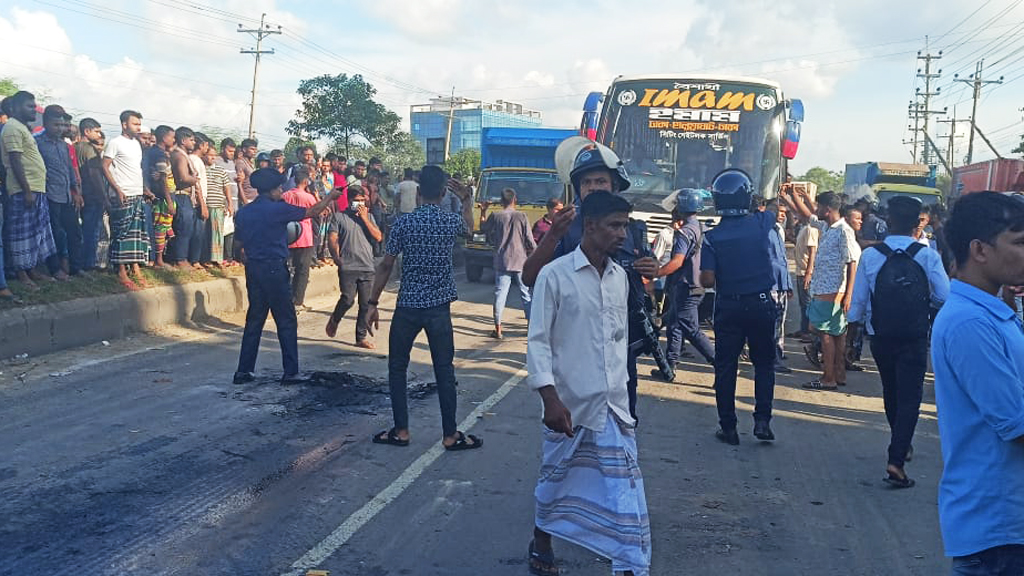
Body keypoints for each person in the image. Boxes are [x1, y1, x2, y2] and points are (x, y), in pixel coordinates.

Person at [526, 191, 651, 576]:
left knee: (624, 491)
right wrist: (550, 399)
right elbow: (539, 341)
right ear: (590, 226)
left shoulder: (620, 279)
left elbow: (617, 341)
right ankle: (541, 537)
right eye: (614, 225)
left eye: (625, 225)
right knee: (556, 482)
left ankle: (628, 562)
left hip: (614, 405)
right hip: (569, 405)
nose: (622, 234)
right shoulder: (555, 275)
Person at [522, 139, 660, 421]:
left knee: (623, 414)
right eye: (587, 183)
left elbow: (644, 274)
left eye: (600, 181)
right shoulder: (568, 225)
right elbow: (530, 276)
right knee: (575, 421)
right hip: (576, 342)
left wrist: (651, 269)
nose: (593, 188)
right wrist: (553, 237)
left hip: (620, 340)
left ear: (615, 185)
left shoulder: (632, 226)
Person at [931, 192, 1024, 574]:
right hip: (1000, 531)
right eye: (1019, 243)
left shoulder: (997, 313)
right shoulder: (971, 323)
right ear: (980, 250)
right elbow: (1016, 423)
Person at [364, 165, 480, 451]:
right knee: (444, 370)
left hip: (407, 306)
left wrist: (372, 303)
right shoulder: (449, 221)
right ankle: (450, 434)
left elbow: (386, 265)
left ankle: (401, 430)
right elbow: (471, 228)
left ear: (417, 193)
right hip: (439, 308)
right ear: (442, 193)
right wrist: (466, 200)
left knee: (397, 368)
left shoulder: (403, 224)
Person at [847, 196, 949, 489]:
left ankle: (899, 444)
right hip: (914, 335)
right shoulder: (927, 256)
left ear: (888, 221)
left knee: (891, 391)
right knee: (911, 396)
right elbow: (944, 296)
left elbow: (858, 304)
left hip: (881, 335)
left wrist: (854, 330)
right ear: (918, 223)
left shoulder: (872, 255)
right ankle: (897, 456)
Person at [232, 168, 343, 385]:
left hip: (254, 269)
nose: (282, 191)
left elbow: (237, 246)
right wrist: (330, 197)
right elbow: (312, 212)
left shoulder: (245, 212)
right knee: (286, 320)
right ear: (271, 190)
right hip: (274, 268)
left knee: (255, 319)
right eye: (279, 188)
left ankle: (243, 371)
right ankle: (290, 372)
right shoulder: (278, 210)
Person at [700, 169, 779, 445]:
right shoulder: (761, 223)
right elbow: (773, 207)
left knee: (725, 367)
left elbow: (707, 279)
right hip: (760, 304)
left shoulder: (712, 237)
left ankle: (729, 427)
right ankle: (762, 420)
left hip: (729, 306)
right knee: (764, 365)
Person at [784, 189, 858, 390]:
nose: (816, 210)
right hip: (827, 288)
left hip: (831, 289)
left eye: (819, 206)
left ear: (827, 209)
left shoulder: (843, 231)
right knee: (836, 333)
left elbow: (852, 262)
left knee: (823, 332)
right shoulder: (828, 227)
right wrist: (793, 197)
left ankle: (828, 377)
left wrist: (849, 294)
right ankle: (838, 374)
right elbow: (807, 216)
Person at [0, 91, 59, 289]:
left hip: (36, 188)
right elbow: (15, 160)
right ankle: (21, 274)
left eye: (34, 106)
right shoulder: (12, 128)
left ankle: (32, 269)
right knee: (21, 233)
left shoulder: (23, 128)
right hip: (23, 189)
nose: (34, 109)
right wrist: (26, 190)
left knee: (36, 231)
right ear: (14, 108)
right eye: (29, 106)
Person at [655, 188, 715, 376]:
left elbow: (677, 261)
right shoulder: (702, 228)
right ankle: (669, 366)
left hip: (686, 285)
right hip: (697, 284)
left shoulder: (684, 232)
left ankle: (720, 363)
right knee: (674, 324)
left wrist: (655, 273)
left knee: (691, 329)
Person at [325, 184, 382, 347]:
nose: (361, 204)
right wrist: (336, 256)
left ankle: (360, 337)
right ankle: (335, 318)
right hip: (348, 265)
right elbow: (333, 238)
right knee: (348, 299)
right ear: (349, 201)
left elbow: (378, 236)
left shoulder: (369, 217)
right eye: (357, 201)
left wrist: (364, 218)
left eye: (363, 200)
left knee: (365, 304)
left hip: (367, 266)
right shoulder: (339, 217)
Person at [102, 110, 151, 289]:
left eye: (139, 124)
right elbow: (105, 167)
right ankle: (121, 270)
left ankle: (135, 267)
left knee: (136, 233)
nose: (138, 127)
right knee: (121, 233)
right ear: (124, 124)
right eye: (135, 124)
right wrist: (117, 189)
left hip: (137, 193)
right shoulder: (115, 143)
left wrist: (143, 190)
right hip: (122, 194)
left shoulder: (137, 144)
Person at [480, 187, 536, 339]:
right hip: (520, 261)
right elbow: (530, 241)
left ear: (502, 201)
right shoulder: (522, 216)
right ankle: (531, 327)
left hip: (502, 261)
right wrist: (536, 256)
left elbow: (482, 229)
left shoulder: (496, 216)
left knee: (500, 295)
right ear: (514, 199)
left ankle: (498, 329)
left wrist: (483, 211)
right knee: (526, 295)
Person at [36, 105, 83, 278]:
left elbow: (70, 169)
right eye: (56, 125)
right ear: (46, 123)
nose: (60, 129)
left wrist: (76, 191)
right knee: (55, 233)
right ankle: (55, 269)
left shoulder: (63, 145)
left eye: (62, 125)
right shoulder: (37, 142)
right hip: (49, 195)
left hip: (67, 194)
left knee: (74, 231)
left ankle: (76, 268)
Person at [75, 118, 109, 272]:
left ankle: (82, 262)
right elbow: (94, 174)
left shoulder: (76, 147)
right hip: (92, 194)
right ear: (86, 131)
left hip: (82, 193)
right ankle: (88, 264)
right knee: (92, 231)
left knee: (84, 230)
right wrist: (103, 196)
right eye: (96, 130)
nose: (99, 133)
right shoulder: (89, 149)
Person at [281, 166, 317, 310]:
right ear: (306, 181)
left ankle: (286, 298)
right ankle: (298, 301)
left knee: (288, 269)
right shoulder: (309, 197)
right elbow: (317, 210)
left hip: (288, 236)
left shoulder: (285, 195)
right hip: (305, 237)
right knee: (302, 271)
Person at [144, 125, 177, 269]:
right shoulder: (159, 154)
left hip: (162, 195)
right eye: (172, 137)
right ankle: (158, 260)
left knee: (165, 229)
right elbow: (163, 178)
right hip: (163, 197)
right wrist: (169, 201)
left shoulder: (155, 152)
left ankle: (159, 258)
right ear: (164, 138)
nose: (174, 139)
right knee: (161, 229)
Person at [766, 200, 794, 373]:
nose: (782, 215)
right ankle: (772, 358)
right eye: (779, 211)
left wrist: (788, 284)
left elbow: (782, 259)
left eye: (784, 212)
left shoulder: (778, 231)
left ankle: (778, 354)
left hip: (781, 284)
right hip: (770, 284)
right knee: (771, 323)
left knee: (779, 322)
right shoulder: (763, 232)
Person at [169, 127, 200, 269]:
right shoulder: (179, 156)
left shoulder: (181, 154)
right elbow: (182, 178)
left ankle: (182, 258)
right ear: (183, 140)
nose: (194, 143)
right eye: (192, 140)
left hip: (186, 197)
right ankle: (180, 259)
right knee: (184, 227)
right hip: (181, 196)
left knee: (187, 228)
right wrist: (194, 179)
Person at [203, 143, 231, 266]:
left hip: (218, 205)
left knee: (218, 233)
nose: (212, 158)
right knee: (205, 234)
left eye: (214, 155)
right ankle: (205, 259)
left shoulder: (221, 171)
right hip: (204, 205)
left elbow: (227, 188)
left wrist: (229, 203)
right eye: (210, 155)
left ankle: (217, 259)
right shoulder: (201, 169)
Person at [236, 138, 258, 206]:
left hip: (254, 199)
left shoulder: (251, 164)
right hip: (246, 199)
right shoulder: (241, 163)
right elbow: (239, 183)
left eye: (255, 149)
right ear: (244, 149)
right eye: (252, 149)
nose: (254, 151)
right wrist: (245, 201)